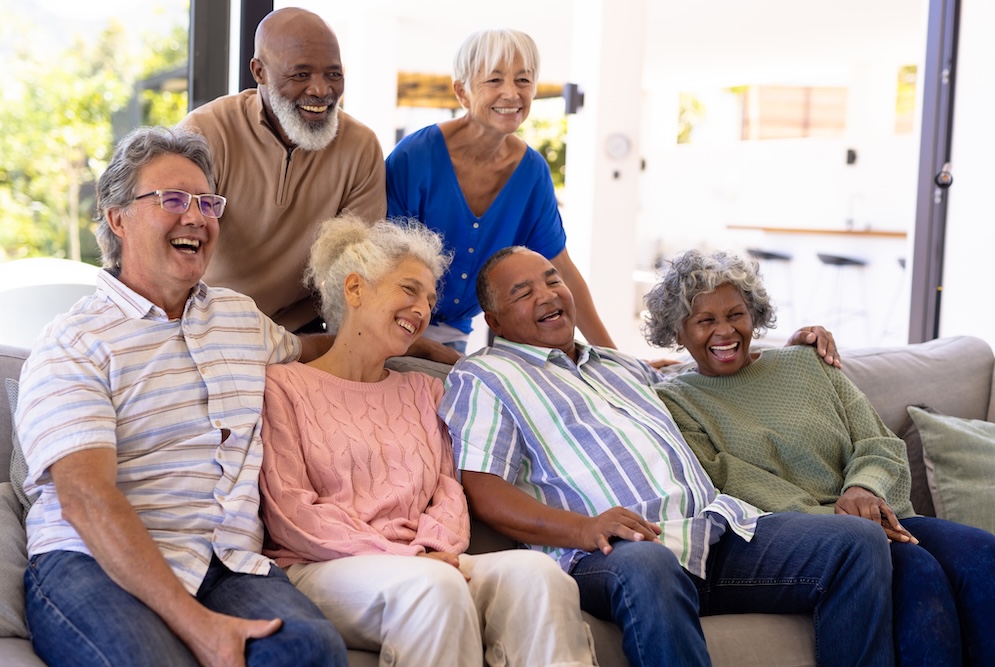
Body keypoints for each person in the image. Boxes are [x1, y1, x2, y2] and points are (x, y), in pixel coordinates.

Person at [438, 245, 895, 667]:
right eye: (523, 292)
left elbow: (712, 368)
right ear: (494, 322)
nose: (547, 294)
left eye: (553, 280)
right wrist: (585, 527)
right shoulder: (484, 376)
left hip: (715, 532)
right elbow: (485, 491)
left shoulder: (619, 365)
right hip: (610, 553)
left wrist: (790, 352)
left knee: (856, 541)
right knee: (648, 560)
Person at [15, 126, 346, 667]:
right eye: (172, 199)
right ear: (117, 219)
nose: (195, 216)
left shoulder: (240, 317)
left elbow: (315, 352)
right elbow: (85, 500)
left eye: (206, 202)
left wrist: (407, 338)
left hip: (226, 560)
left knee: (310, 651)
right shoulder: (74, 342)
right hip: (92, 559)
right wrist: (197, 627)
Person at [258, 216, 596, 667]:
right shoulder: (281, 387)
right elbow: (290, 512)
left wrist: (438, 549)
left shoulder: (424, 391)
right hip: (320, 567)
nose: (423, 309)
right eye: (409, 290)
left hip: (425, 563)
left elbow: (447, 489)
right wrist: (409, 557)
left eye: (431, 298)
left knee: (538, 574)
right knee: (434, 588)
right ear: (355, 290)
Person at [649, 249, 995, 667]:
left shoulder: (807, 362)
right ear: (678, 332)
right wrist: (841, 520)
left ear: (754, 315)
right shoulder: (675, 401)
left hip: (883, 515)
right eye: (705, 321)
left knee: (983, 554)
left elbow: (879, 442)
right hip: (820, 537)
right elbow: (730, 483)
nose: (725, 331)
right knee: (917, 573)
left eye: (736, 314)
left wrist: (861, 489)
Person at [386, 29, 614, 362]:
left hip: (453, 336)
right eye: (494, 80)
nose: (511, 93)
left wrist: (616, 360)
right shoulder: (414, 157)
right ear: (462, 92)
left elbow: (560, 267)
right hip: (393, 322)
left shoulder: (532, 172)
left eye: (523, 80)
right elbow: (384, 263)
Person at [179, 8, 387, 336]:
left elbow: (355, 269)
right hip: (202, 323)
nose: (321, 90)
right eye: (301, 75)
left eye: (334, 74)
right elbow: (172, 243)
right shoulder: (205, 132)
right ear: (259, 72)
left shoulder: (361, 147)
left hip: (297, 333)